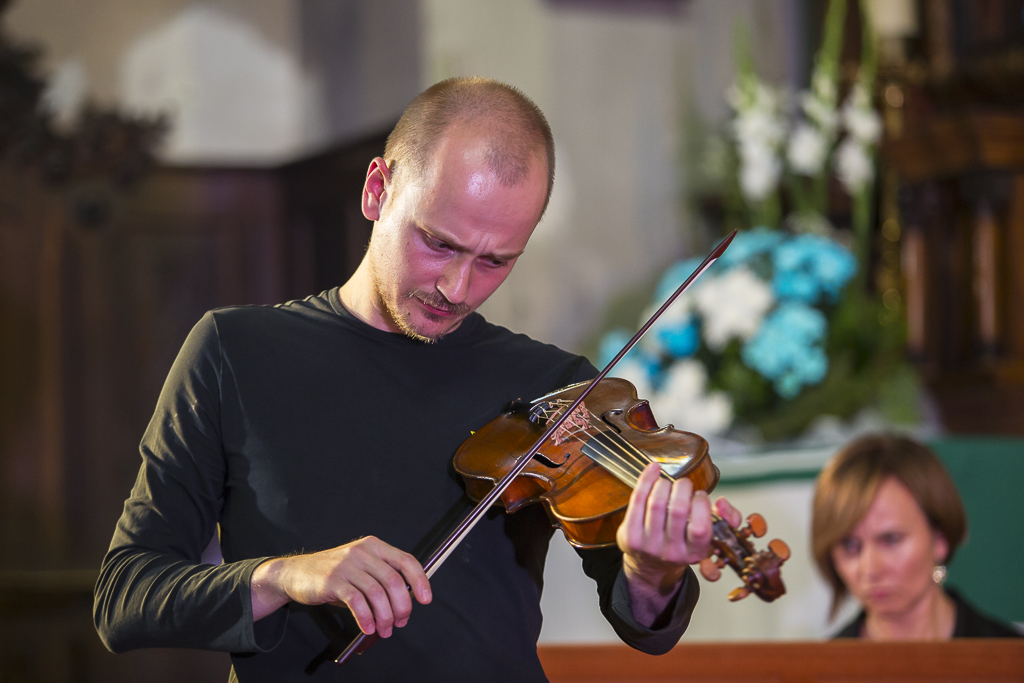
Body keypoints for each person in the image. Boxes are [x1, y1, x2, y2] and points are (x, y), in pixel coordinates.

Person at [94, 77, 741, 682]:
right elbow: (126, 596)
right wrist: (283, 575)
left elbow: (643, 622)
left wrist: (652, 571)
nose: (457, 288)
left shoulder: (559, 391)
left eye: (495, 261)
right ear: (378, 189)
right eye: (438, 243)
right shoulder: (233, 350)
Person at [811, 433, 1021, 640]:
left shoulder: (1011, 659)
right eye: (850, 546)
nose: (870, 569)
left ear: (940, 539)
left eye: (890, 540)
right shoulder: (818, 670)